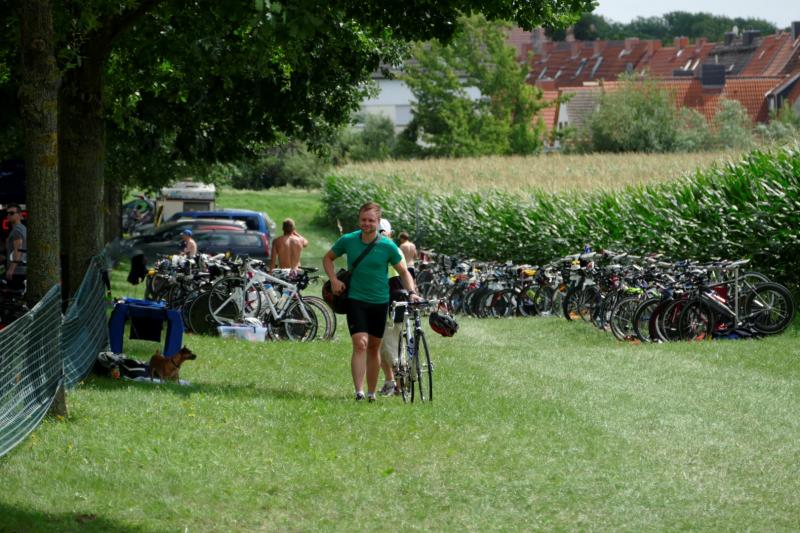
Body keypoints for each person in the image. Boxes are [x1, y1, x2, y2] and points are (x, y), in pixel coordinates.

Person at [323, 202, 419, 402]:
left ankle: (371, 392)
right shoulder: (348, 240)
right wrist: (333, 280)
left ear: (378, 222)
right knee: (360, 343)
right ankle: (359, 392)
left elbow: (403, 272)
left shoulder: (387, 246)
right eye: (363, 220)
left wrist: (411, 292)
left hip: (380, 301)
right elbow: (328, 258)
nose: (366, 224)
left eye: (371, 220)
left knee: (374, 347)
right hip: (356, 300)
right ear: (359, 220)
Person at [377, 219, 415, 396]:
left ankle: (398, 385)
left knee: (390, 346)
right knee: (385, 346)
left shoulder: (390, 249)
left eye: (382, 232)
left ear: (390, 234)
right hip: (393, 300)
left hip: (391, 301)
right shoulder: (393, 248)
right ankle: (392, 382)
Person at [1, 204, 27, 291]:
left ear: (19, 215)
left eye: (12, 213)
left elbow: (18, 250)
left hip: (16, 271)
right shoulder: (22, 228)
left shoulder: (17, 230)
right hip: (21, 268)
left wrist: (11, 269)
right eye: (7, 213)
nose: (8, 215)